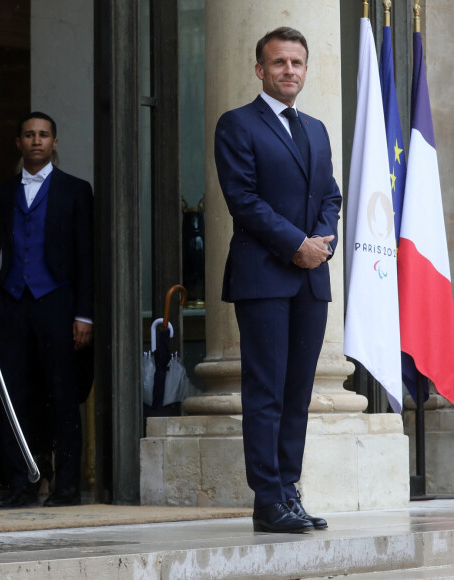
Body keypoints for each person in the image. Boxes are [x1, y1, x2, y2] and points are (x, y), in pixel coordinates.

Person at [214, 26, 342, 533]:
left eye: (297, 63)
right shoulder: (238, 124)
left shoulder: (315, 128)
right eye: (279, 62)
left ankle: (290, 491)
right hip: (265, 277)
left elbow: (331, 195)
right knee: (265, 391)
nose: (289, 70)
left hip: (311, 280)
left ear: (306, 70)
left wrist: (321, 240)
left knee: (298, 392)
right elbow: (243, 200)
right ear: (260, 70)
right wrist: (297, 245)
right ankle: (267, 500)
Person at [0, 111, 94, 508]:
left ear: (54, 143)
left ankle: (66, 486)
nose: (36, 141)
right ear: (18, 143)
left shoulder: (76, 190)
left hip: (58, 303)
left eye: (43, 135)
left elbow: (86, 255)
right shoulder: (0, 194)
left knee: (62, 395)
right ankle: (21, 483)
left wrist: (85, 314)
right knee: (14, 396)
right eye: (29, 134)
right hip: (11, 304)